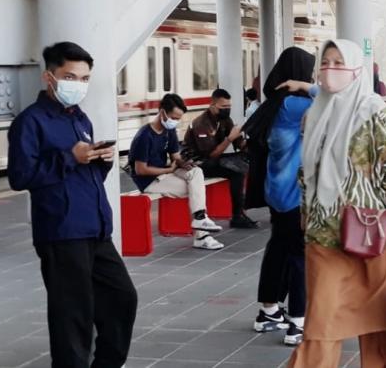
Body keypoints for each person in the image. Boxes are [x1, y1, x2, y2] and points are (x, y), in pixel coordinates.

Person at [287, 39, 386, 367]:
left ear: (356, 70)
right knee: (320, 324)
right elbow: (307, 171)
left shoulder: (373, 111)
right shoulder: (315, 114)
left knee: (383, 325)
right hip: (325, 236)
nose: (331, 69)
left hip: (375, 234)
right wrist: (305, 210)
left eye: (340, 62)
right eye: (326, 61)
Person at [7, 41, 138, 368]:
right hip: (61, 231)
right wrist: (71, 157)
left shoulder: (80, 118)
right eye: (70, 76)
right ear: (48, 78)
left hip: (95, 228)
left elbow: (83, 171)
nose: (77, 85)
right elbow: (20, 176)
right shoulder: (31, 121)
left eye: (84, 78)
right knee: (72, 316)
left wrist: (99, 159)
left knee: (122, 298)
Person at [244, 47, 317, 346]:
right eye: (308, 72)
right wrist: (305, 87)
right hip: (293, 195)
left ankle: (269, 311)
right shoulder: (293, 104)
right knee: (300, 256)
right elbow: (339, 99)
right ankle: (298, 323)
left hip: (275, 191)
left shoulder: (271, 104)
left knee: (278, 249)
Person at [129, 93, 226, 250]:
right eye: (174, 117)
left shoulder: (169, 131)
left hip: (166, 173)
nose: (176, 121)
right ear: (162, 112)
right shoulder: (144, 136)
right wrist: (169, 169)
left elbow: (175, 155)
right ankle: (202, 235)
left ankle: (200, 218)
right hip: (149, 181)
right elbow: (141, 170)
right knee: (195, 188)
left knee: (197, 173)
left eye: (179, 118)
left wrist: (183, 163)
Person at [183, 88, 258, 229]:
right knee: (236, 171)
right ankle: (237, 215)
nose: (227, 110)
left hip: (211, 160)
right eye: (223, 107)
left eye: (229, 107)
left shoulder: (224, 120)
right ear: (212, 105)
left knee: (245, 161)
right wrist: (230, 138)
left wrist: (252, 141)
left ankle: (242, 211)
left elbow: (240, 144)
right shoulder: (201, 123)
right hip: (197, 164)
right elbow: (211, 154)